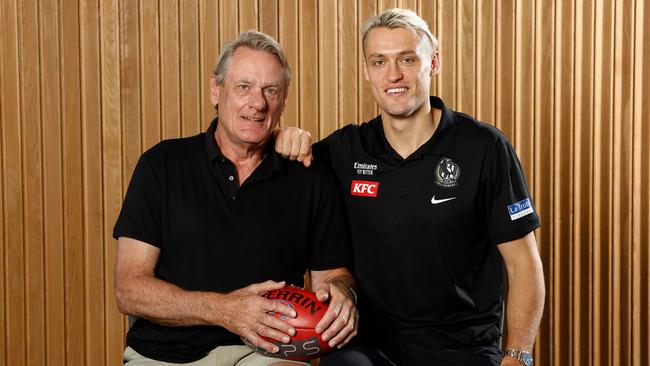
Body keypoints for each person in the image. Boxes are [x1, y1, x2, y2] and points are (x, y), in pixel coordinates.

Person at [275, 8, 545, 366]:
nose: (393, 75)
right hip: (370, 346)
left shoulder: (484, 148)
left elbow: (523, 266)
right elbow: (279, 179)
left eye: (406, 59)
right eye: (379, 62)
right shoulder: (344, 151)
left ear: (433, 62)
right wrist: (281, 139)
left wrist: (517, 356)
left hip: (463, 347)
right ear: (367, 71)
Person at [113, 30, 358, 366]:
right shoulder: (162, 165)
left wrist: (343, 294)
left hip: (266, 351)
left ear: (283, 101)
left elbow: (331, 277)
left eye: (270, 90)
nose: (257, 103)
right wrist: (225, 310)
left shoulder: (310, 176)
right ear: (217, 90)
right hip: (165, 354)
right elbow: (129, 289)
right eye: (243, 86)